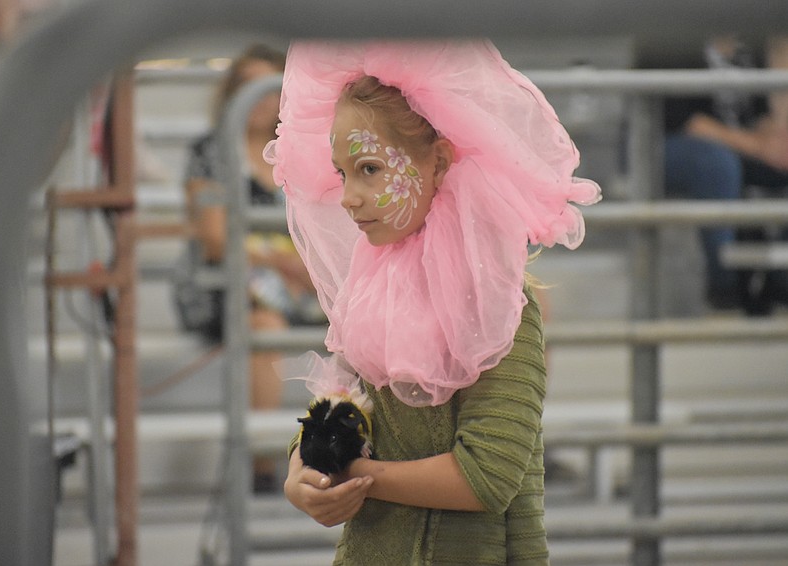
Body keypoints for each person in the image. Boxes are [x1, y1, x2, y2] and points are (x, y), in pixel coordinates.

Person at [264, 40, 601, 564]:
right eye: (342, 173)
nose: (349, 195)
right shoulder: (373, 289)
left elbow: (487, 476)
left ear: (440, 162)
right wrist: (302, 474)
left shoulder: (502, 307)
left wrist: (355, 475)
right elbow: (344, 403)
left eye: (371, 169)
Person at [174, 44, 323, 492]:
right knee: (262, 322)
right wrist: (281, 260)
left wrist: (305, 264)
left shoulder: (304, 150)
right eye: (249, 86)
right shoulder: (211, 149)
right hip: (227, 284)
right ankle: (258, 466)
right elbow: (216, 238)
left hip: (299, 282)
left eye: (271, 87)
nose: (261, 98)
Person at [663, 35, 788, 313]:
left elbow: (761, 112)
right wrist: (758, 146)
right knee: (716, 164)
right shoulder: (671, 34)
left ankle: (780, 280)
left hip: (733, 147)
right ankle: (725, 285)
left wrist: (774, 142)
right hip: (665, 144)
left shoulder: (748, 44)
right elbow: (683, 120)